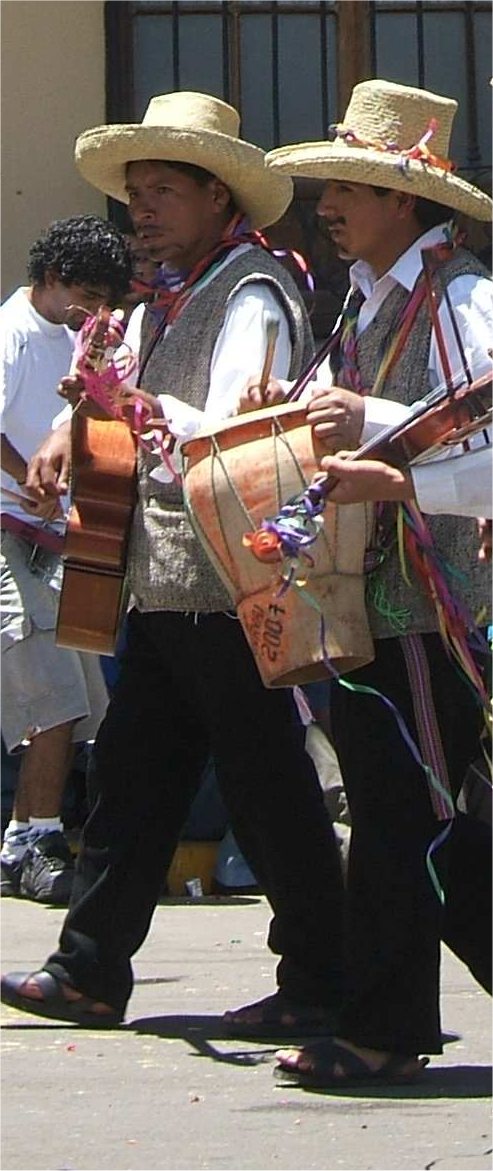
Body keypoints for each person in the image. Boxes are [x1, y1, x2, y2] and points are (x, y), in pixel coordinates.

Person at [1, 92, 345, 1033]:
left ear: (215, 197)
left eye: (161, 191)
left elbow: (237, 428)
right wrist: (79, 434)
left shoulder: (252, 291)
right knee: (137, 778)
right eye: (135, 192)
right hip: (163, 583)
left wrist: (128, 410)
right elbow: (130, 413)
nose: (140, 210)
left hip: (227, 584)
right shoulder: (167, 298)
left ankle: (322, 977)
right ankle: (89, 968)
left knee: (264, 785)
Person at [260, 79, 492, 1086]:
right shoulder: (362, 300)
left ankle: (383, 1027)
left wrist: (393, 466)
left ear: (405, 199)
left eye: (348, 185)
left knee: (414, 816)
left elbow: (478, 442)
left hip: (426, 606)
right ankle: (380, 1016)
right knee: (426, 813)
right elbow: (353, 410)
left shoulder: (465, 300)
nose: (327, 203)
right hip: (372, 601)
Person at [0, 215, 132, 903]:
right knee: (48, 693)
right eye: (85, 294)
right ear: (50, 277)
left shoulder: (82, 339)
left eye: (107, 298)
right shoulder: (11, 334)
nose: (96, 311)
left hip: (61, 535)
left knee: (80, 699)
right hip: (8, 528)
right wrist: (30, 476)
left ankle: (24, 838)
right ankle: (39, 837)